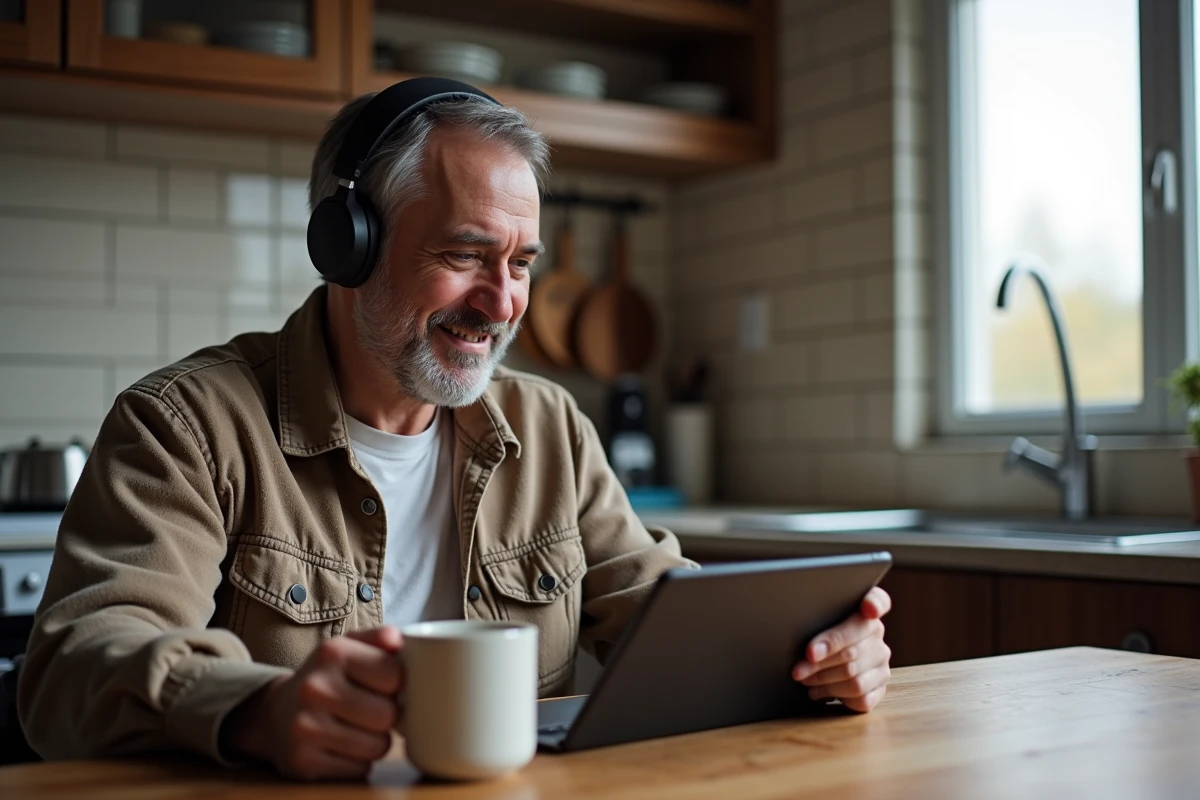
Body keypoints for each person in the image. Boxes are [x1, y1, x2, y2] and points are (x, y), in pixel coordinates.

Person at [18, 79, 893, 781]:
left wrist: (811, 657)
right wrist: (256, 711)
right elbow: (77, 664)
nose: (503, 301)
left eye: (519, 264)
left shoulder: (548, 426)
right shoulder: (186, 426)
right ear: (347, 248)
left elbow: (663, 609)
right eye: (466, 256)